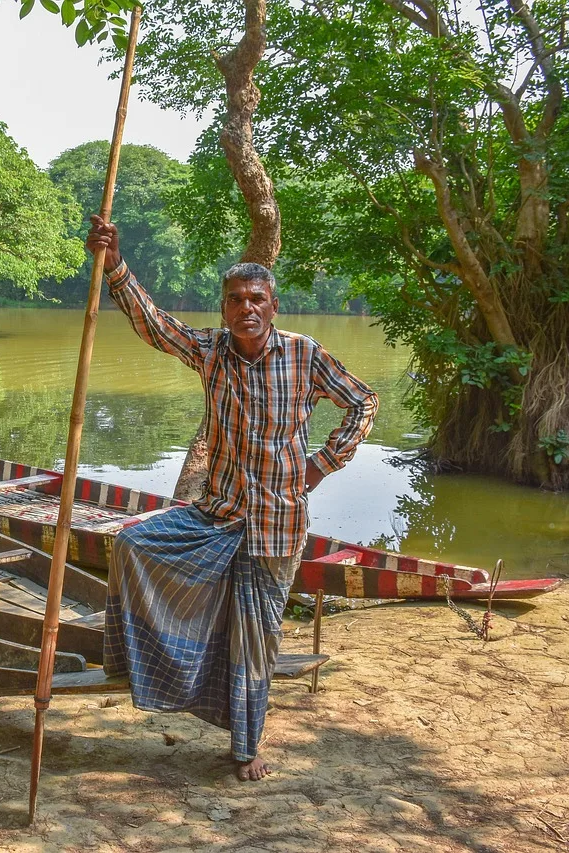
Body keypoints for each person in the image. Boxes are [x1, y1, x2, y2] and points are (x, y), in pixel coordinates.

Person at [87, 215, 378, 781]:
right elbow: (154, 326)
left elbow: (363, 402)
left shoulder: (304, 355)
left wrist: (322, 463)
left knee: (255, 639)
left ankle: (246, 749)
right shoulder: (211, 352)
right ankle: (143, 667)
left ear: (273, 307)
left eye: (257, 299)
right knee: (132, 544)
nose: (246, 308)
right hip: (214, 515)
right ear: (223, 308)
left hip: (276, 524)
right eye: (236, 299)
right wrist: (115, 265)